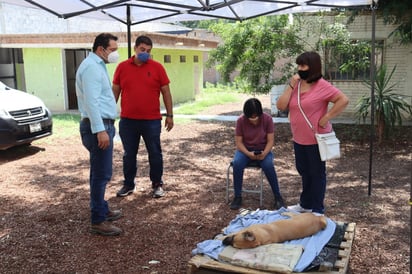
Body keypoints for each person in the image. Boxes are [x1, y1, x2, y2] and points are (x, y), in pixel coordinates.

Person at [276, 51, 349, 215]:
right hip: (298, 139)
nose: (299, 69)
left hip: (315, 139)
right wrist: (290, 85)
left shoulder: (322, 85)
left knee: (317, 174)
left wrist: (327, 116)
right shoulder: (297, 85)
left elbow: (343, 100)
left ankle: (317, 209)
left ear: (313, 67)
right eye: (298, 65)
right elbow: (281, 106)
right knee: (304, 172)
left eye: (303, 65)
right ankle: (305, 204)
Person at [112, 35, 174, 199]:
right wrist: (109, 115)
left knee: (155, 153)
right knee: (129, 154)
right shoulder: (122, 67)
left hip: (152, 120)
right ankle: (128, 184)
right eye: (142, 50)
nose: (145, 53)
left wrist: (170, 115)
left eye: (148, 51)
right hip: (128, 121)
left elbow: (166, 92)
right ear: (135, 48)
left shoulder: (157, 68)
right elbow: (115, 92)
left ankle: (157, 184)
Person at [75, 33, 122, 236]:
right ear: (100, 49)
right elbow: (91, 102)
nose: (115, 54)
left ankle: (102, 209)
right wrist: (100, 130)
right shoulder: (91, 68)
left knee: (100, 172)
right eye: (112, 50)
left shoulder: (97, 65)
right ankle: (98, 220)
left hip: (103, 125)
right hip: (98, 126)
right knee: (101, 175)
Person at [230, 98, 285, 210]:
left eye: (256, 117)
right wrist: (248, 153)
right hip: (245, 150)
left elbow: (270, 141)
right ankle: (237, 196)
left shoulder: (267, 119)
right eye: (251, 117)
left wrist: (264, 153)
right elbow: (239, 143)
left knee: (268, 165)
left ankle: (278, 196)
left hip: (263, 150)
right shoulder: (240, 120)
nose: (253, 120)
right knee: (237, 164)